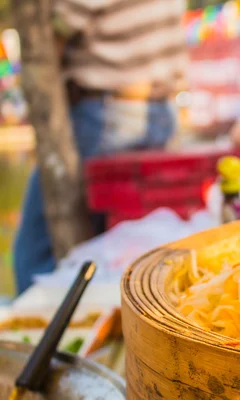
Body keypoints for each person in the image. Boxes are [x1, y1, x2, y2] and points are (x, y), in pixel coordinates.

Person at [14, 0, 188, 293]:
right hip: (158, 111)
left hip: (107, 114)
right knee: (118, 253)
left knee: (35, 255)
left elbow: (58, 29)